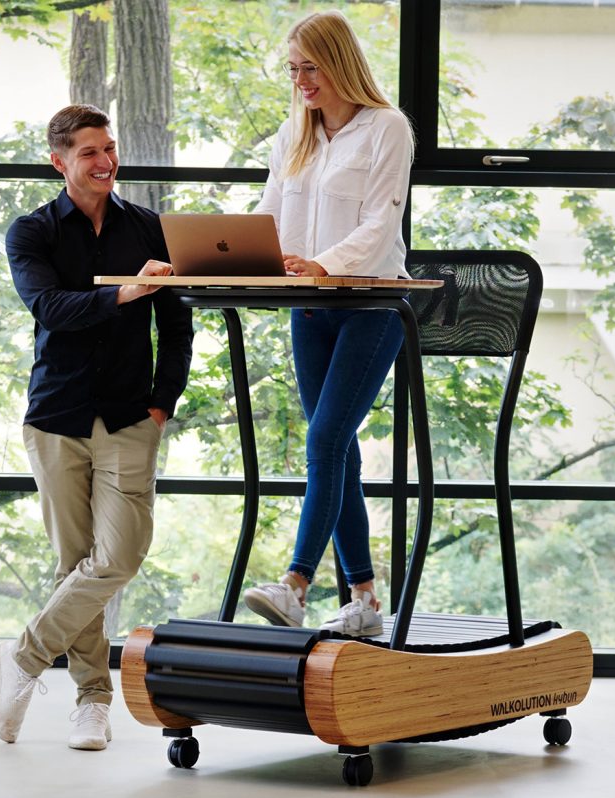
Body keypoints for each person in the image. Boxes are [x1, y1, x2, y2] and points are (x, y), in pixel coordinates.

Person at [0, 104, 194, 750]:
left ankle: (22, 658)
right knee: (73, 562)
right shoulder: (31, 233)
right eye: (90, 152)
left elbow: (179, 326)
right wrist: (124, 294)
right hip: (55, 417)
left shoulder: (149, 229)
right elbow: (50, 307)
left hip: (132, 415)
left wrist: (164, 402)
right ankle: (92, 700)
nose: (107, 161)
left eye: (110, 148)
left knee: (121, 553)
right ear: (60, 162)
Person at [243, 11, 414, 638]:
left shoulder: (387, 129)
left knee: (323, 445)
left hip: (372, 307)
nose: (301, 81)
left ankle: (295, 584)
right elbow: (269, 213)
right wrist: (246, 257)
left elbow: (380, 225)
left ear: (339, 62)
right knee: (336, 452)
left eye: (310, 67)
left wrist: (321, 263)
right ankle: (366, 599)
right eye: (293, 70)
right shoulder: (295, 134)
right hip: (308, 310)